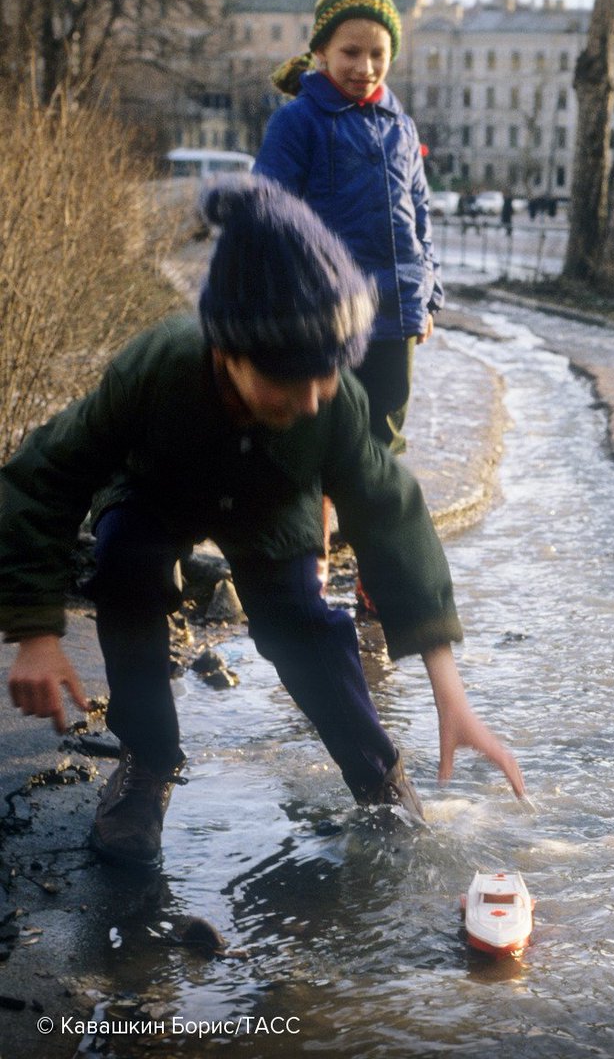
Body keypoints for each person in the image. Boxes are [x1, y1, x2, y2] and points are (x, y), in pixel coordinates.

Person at [0, 177, 524, 869]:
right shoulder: (159, 368)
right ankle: (148, 762)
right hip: (158, 487)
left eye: (326, 377)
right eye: (288, 380)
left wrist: (448, 692)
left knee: (298, 624)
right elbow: (42, 476)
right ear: (227, 350)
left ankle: (380, 781)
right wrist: (35, 633)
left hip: (273, 500)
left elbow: (391, 513)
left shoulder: (326, 406)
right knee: (124, 563)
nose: (310, 400)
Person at [254, 0, 438, 457]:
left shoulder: (401, 126)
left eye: (378, 54)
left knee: (385, 428)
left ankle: (370, 523)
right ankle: (313, 523)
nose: (365, 67)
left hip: (396, 310)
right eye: (351, 52)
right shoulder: (298, 121)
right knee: (320, 428)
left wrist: (429, 293)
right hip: (327, 312)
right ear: (321, 51)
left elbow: (419, 216)